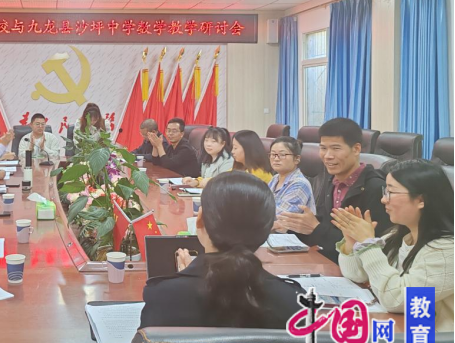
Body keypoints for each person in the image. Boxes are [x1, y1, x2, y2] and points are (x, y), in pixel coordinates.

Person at [140, 172, 304, 329]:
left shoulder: (163, 296)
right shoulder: (294, 301)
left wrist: (185, 279)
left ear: (200, 219)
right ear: (267, 229)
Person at [333, 160, 454, 331]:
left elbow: (396, 299)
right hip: (403, 329)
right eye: (385, 191)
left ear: (420, 200)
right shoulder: (398, 235)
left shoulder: (446, 250)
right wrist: (352, 242)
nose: (383, 199)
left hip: (433, 342)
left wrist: (368, 245)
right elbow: (356, 274)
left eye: (391, 192)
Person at [277, 118, 392, 263]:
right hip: (328, 263)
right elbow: (326, 228)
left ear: (356, 149)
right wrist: (294, 225)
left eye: (336, 148)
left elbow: (377, 246)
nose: (328, 156)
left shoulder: (375, 188)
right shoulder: (332, 181)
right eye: (323, 148)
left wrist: (315, 228)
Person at [268, 137, 315, 225]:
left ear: (297, 159)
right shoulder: (275, 178)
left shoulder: (300, 184)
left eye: (282, 154)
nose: (276, 158)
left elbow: (280, 218)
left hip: (289, 232)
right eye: (273, 154)